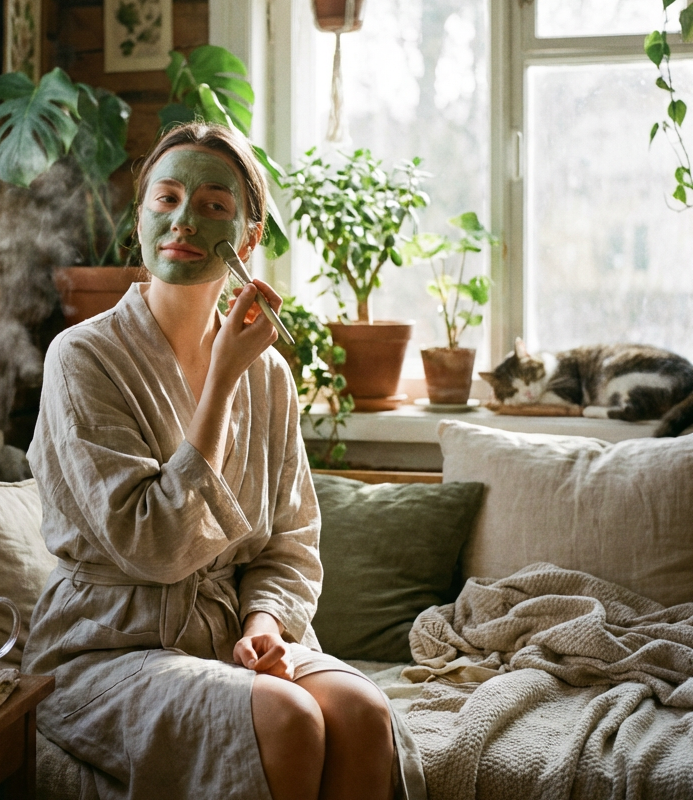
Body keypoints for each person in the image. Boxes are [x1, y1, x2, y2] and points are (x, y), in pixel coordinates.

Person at [21, 122, 424, 800]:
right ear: (141, 216)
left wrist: (264, 628)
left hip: (231, 634)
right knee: (291, 718)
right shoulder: (82, 359)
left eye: (213, 205)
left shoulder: (269, 376)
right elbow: (153, 545)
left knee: (362, 714)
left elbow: (291, 544)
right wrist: (221, 383)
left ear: (247, 237)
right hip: (108, 646)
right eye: (167, 197)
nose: (184, 218)